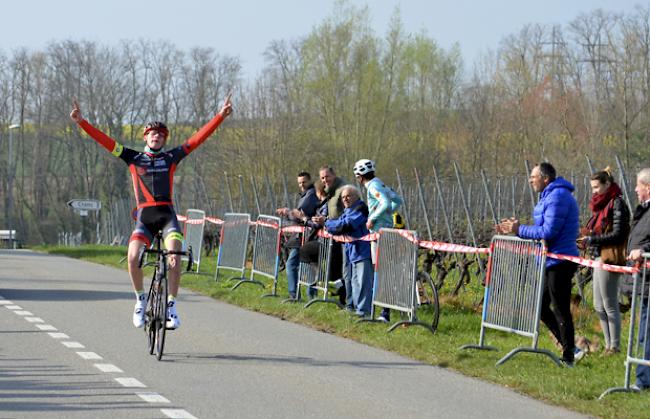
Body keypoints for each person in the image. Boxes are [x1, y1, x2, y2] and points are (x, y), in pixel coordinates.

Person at [70, 94, 233, 329]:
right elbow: (105, 141)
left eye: (161, 134)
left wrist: (220, 116)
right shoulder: (133, 158)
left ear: (164, 139)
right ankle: (140, 300)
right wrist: (81, 122)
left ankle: (171, 306)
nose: (156, 135)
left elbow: (197, 139)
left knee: (175, 258)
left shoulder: (171, 157)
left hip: (167, 217)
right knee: (133, 257)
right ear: (145, 137)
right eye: (152, 133)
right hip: (145, 219)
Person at [496, 162, 582, 366]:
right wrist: (515, 229)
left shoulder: (558, 197)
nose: (530, 180)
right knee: (540, 307)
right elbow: (542, 228)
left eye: (533, 176)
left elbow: (548, 232)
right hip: (549, 259)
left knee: (560, 308)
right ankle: (571, 347)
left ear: (545, 178)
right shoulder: (549, 196)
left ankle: (569, 355)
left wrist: (520, 230)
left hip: (560, 260)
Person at [578, 168, 630, 355]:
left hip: (609, 256)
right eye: (592, 188)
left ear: (607, 184)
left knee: (609, 303)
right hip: (598, 256)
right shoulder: (600, 206)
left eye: (597, 187)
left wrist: (594, 239)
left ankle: (614, 346)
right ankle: (608, 346)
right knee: (598, 305)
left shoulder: (617, 204)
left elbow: (619, 234)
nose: (594, 192)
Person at [353, 159, 403, 323]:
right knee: (383, 271)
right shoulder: (380, 183)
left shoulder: (372, 186)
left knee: (379, 272)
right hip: (388, 231)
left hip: (378, 233)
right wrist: (387, 214)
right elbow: (397, 201)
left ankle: (384, 313)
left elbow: (386, 202)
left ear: (360, 176)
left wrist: (373, 217)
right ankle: (384, 311)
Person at [324, 186, 373, 316]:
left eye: (348, 196)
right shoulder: (347, 210)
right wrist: (329, 224)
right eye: (343, 197)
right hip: (353, 252)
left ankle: (364, 312)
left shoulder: (360, 209)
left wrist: (327, 223)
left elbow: (344, 226)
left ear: (356, 197)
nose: (345, 199)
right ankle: (358, 310)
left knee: (363, 284)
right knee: (355, 283)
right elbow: (337, 224)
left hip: (363, 251)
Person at [311, 166, 351, 307]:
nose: (324, 180)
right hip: (334, 235)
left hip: (344, 235)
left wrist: (329, 222)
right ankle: (342, 299)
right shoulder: (330, 191)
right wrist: (325, 220)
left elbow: (346, 213)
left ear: (334, 175)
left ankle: (347, 302)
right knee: (337, 269)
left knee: (344, 270)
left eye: (327, 176)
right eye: (322, 178)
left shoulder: (343, 190)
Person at [276, 171, 319, 299]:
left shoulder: (310, 195)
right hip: (302, 236)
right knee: (309, 266)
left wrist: (287, 212)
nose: (302, 185)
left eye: (304, 182)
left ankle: (294, 294)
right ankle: (309, 295)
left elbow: (300, 214)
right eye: (299, 183)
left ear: (310, 180)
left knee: (292, 265)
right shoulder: (306, 194)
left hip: (305, 237)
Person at [625, 168, 650, 390]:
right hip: (644, 279)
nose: (634, 189)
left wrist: (643, 251)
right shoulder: (643, 210)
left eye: (638, 185)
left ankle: (642, 379)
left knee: (647, 332)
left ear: (647, 187)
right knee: (644, 331)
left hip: (648, 278)